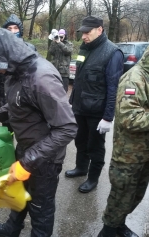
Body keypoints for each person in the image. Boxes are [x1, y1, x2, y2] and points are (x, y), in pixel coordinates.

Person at [0, 28, 78, 237]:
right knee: (19, 193)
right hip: (25, 147)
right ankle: (12, 228)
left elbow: (67, 128)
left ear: (9, 55)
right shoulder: (15, 71)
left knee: (40, 207)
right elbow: (19, 102)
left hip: (45, 159)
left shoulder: (42, 78)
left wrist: (28, 162)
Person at [66, 16, 124, 193]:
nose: (83, 36)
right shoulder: (85, 48)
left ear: (100, 30)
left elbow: (113, 88)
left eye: (87, 32)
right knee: (80, 140)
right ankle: (81, 168)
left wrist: (108, 118)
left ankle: (93, 178)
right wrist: (72, 102)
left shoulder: (113, 53)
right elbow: (79, 78)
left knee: (95, 146)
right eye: (82, 32)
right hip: (80, 107)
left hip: (97, 112)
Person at [97, 47, 149, 237]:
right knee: (120, 197)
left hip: (145, 153)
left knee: (135, 196)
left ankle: (119, 225)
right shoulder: (134, 78)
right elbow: (129, 118)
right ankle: (108, 231)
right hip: (128, 155)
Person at [0, 14, 36, 132]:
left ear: (20, 30)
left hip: (26, 96)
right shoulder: (0, 50)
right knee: (7, 131)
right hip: (6, 95)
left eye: (15, 28)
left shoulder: (30, 48)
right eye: (9, 29)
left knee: (26, 131)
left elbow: (36, 72)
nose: (13, 31)